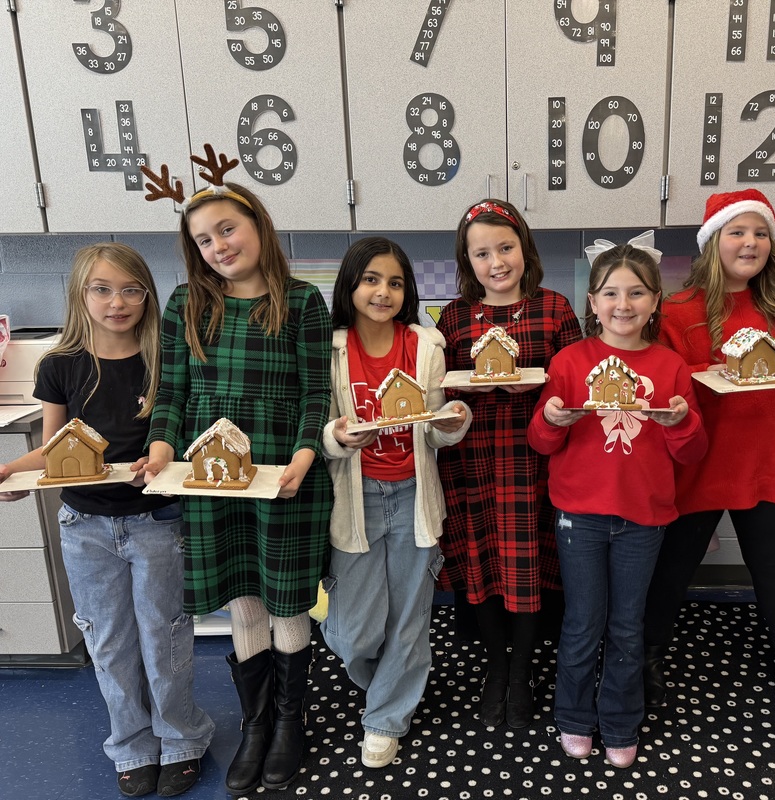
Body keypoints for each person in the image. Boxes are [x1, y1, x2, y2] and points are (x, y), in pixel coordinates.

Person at [0, 243, 215, 798]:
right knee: (108, 642)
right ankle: (132, 745)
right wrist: (11, 474)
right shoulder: (61, 365)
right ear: (80, 294)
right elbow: (53, 449)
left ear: (148, 295)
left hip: (157, 522)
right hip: (85, 528)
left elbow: (184, 436)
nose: (116, 302)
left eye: (130, 289)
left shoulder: (166, 357)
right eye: (102, 289)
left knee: (164, 636)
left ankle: (182, 740)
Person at [143, 180, 332, 794]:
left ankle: (289, 722)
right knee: (244, 599)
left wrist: (305, 454)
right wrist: (162, 449)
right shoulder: (185, 305)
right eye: (203, 239)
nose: (218, 246)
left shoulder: (303, 302)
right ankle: (256, 726)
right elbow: (172, 393)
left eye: (227, 229)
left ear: (257, 226)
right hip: (213, 471)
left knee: (286, 600)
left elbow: (314, 394)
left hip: (282, 469)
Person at [527, 237, 707, 768]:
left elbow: (694, 451)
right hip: (578, 517)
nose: (622, 305)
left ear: (655, 302)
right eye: (610, 293)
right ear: (592, 302)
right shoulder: (569, 361)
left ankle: (622, 721)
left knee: (628, 624)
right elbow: (540, 441)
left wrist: (680, 422)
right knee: (583, 620)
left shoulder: (671, 367)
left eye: (636, 293)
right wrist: (552, 421)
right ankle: (574, 717)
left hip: (643, 520)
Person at [642, 189, 775, 719]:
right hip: (701, 461)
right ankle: (647, 658)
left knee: (774, 570)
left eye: (760, 233)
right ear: (713, 242)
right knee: (672, 568)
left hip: (769, 457)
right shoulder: (677, 310)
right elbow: (663, 385)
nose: (751, 242)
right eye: (737, 232)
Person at [319, 237, 471, 768]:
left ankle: (385, 717)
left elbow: (432, 430)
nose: (383, 292)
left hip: (413, 497)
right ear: (351, 285)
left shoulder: (425, 346)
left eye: (395, 282)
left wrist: (453, 423)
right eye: (371, 280)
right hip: (354, 500)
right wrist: (335, 436)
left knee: (410, 618)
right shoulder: (331, 346)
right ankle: (389, 677)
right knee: (352, 630)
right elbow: (317, 428)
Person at [436, 199, 582, 728]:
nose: (496, 261)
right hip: (471, 461)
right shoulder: (452, 317)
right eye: (481, 253)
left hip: (533, 461)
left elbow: (575, 384)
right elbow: (441, 390)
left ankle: (521, 673)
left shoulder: (555, 309)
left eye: (505, 247)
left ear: (525, 248)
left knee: (526, 571)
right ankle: (495, 669)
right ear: (466, 260)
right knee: (483, 567)